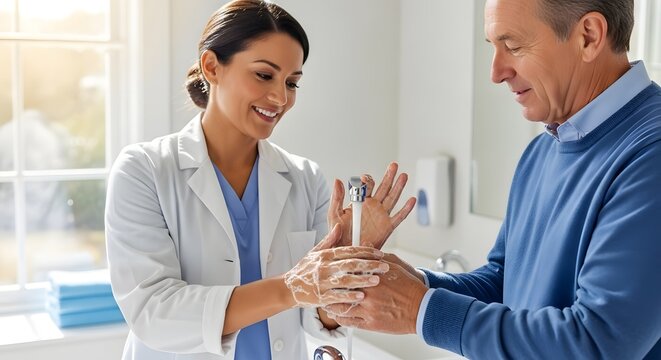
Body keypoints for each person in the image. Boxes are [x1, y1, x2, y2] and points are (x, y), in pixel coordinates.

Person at [324, 0, 661, 358]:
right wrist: (405, 283)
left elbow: (598, 342)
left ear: (589, 36)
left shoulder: (649, 154)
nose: (496, 72)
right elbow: (503, 283)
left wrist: (418, 309)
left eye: (513, 46)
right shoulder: (542, 151)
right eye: (493, 47)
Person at [104, 1, 414, 359]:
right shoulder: (144, 171)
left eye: (292, 83)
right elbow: (154, 313)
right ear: (211, 66)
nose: (280, 98)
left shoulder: (305, 178)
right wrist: (291, 287)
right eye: (264, 75)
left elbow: (316, 320)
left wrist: (339, 271)